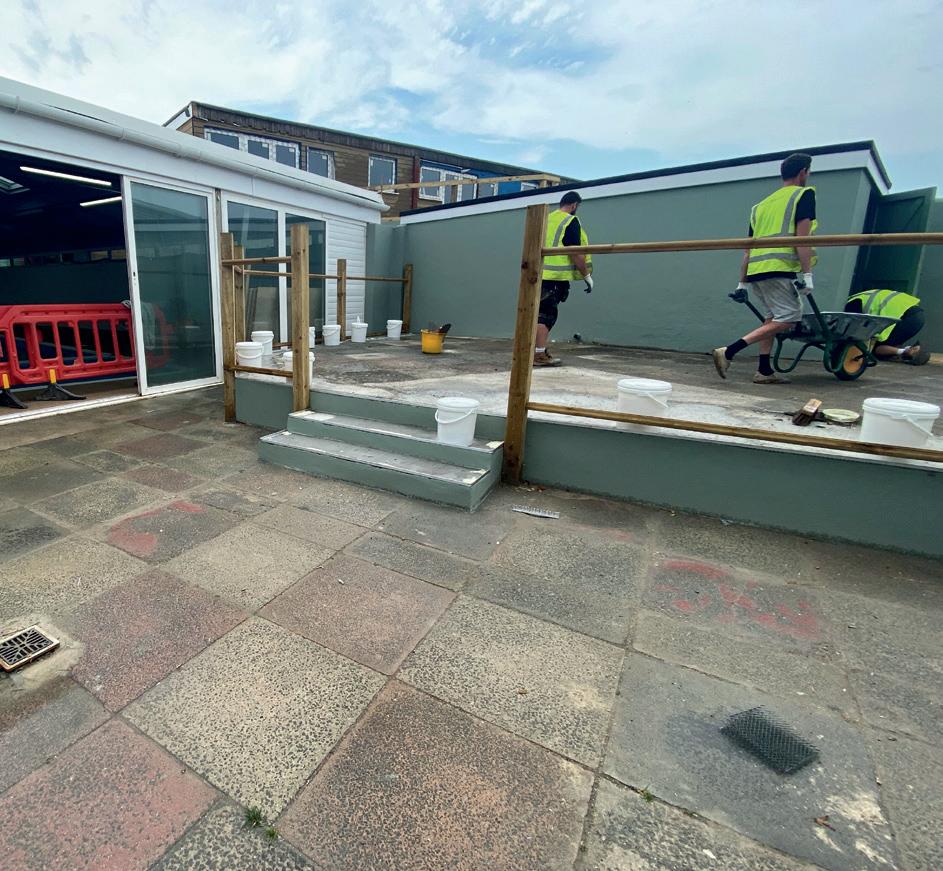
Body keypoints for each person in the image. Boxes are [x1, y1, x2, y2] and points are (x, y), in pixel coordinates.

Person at [713, 153, 817, 383]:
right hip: (778, 268)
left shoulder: (760, 207)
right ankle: (729, 351)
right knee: (790, 318)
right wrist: (808, 274)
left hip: (756, 271)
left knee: (772, 318)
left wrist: (742, 283)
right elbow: (803, 239)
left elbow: (748, 249)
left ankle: (764, 371)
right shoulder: (803, 195)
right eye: (809, 172)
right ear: (803, 172)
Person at [535, 191, 594, 367]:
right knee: (546, 315)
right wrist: (586, 275)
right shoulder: (570, 221)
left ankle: (535, 351)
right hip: (554, 277)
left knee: (537, 313)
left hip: (537, 274)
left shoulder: (547, 219)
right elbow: (575, 252)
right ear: (574, 205)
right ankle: (539, 354)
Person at [844, 288, 931, 364]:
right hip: (914, 315)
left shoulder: (852, 302)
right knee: (884, 343)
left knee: (875, 348)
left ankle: (904, 352)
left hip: (910, 316)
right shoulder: (857, 301)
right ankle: (901, 352)